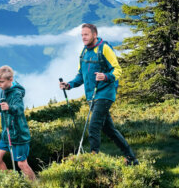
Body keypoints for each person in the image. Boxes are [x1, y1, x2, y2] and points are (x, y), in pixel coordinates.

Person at [59, 23, 138, 164]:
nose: (83, 37)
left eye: (86, 34)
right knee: (109, 130)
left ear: (94, 35)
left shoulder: (104, 48)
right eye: (82, 35)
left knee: (93, 126)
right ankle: (131, 158)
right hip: (91, 96)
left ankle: (93, 161)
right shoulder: (83, 52)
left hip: (105, 94)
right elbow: (81, 76)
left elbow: (117, 69)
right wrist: (69, 85)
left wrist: (105, 76)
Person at [0, 65, 36, 182]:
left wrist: (9, 107)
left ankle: (35, 186)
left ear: (10, 79)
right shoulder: (4, 91)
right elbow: (2, 108)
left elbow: (19, 109)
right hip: (7, 133)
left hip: (18, 135)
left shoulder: (16, 93)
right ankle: (11, 182)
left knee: (22, 164)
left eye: (2, 82)